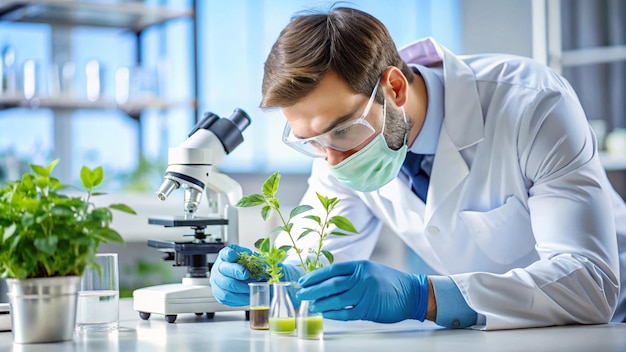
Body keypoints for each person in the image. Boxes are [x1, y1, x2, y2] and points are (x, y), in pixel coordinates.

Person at [210, 6, 626, 330]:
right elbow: (316, 257)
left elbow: (589, 285)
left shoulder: (533, 104)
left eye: (340, 132)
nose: (330, 158)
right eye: (310, 141)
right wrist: (272, 274)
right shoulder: (339, 150)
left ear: (394, 88)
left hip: (606, 328)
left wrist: (421, 297)